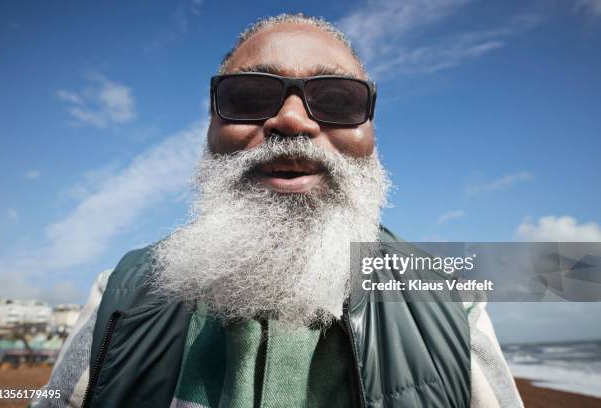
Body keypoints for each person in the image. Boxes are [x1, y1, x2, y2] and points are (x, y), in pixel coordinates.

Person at [33, 13, 523, 408]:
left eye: (336, 99)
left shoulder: (451, 304)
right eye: (248, 97)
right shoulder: (120, 292)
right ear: (210, 128)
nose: (291, 120)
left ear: (371, 136)